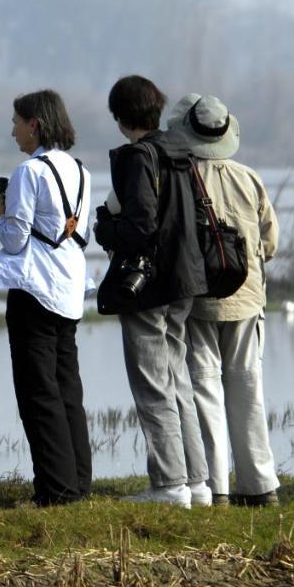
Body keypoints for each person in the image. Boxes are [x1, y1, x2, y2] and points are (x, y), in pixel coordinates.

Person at [0, 90, 93, 506]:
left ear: (34, 124)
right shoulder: (80, 170)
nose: (13, 130)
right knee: (67, 388)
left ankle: (55, 490)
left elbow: (15, 240)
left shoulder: (28, 172)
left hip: (34, 289)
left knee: (38, 394)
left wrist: (0, 210)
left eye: (16, 121)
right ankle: (77, 482)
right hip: (70, 287)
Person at [94, 75, 210, 508]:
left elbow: (140, 225)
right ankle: (197, 482)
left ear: (121, 118)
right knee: (178, 378)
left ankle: (168, 485)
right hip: (186, 279)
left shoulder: (138, 156)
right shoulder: (182, 151)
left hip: (150, 285)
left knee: (152, 384)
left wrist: (106, 229)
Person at [168, 95, 280, 507]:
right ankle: (260, 484)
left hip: (198, 299)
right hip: (248, 297)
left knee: (205, 388)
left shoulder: (179, 177)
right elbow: (270, 241)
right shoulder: (248, 177)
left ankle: (216, 486)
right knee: (248, 385)